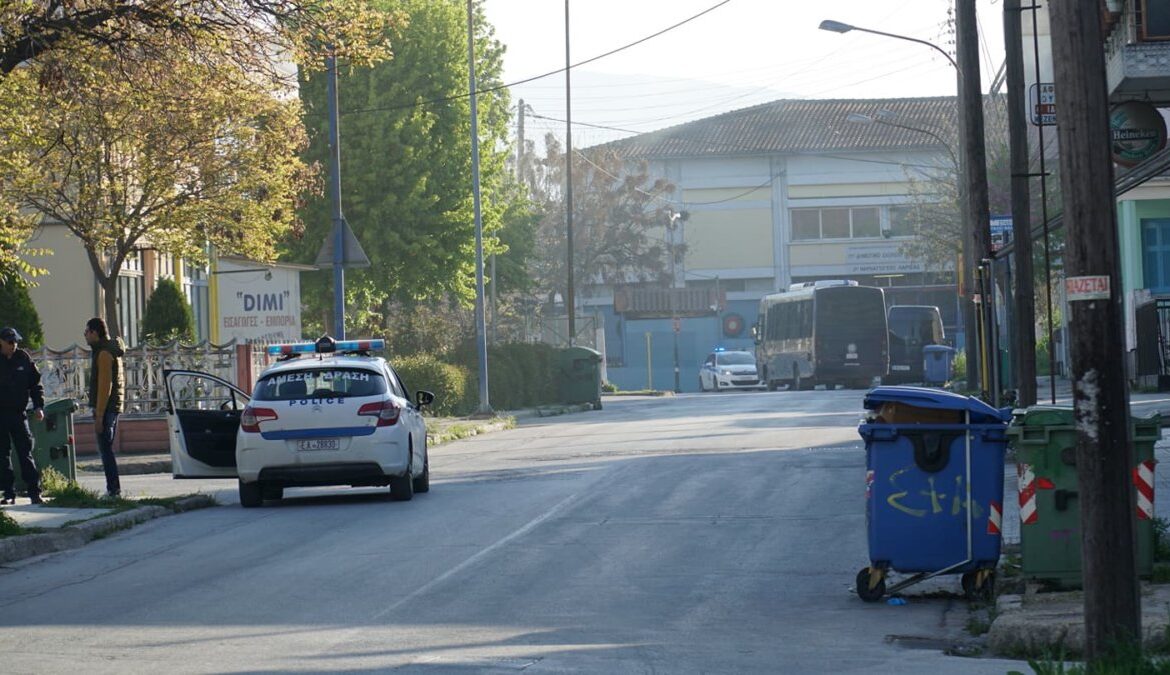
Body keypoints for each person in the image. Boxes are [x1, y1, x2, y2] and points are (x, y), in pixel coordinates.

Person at [0, 327, 45, 505]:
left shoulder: (23, 358)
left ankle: (34, 492)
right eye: (10, 342)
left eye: (15, 342)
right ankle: (8, 493)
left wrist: (38, 406)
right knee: (2, 456)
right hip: (1, 415)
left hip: (19, 414)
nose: (14, 345)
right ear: (1, 342)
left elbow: (35, 385)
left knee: (25, 453)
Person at [85, 318, 125, 499]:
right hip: (113, 406)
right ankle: (113, 489)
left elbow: (104, 387)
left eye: (86, 332)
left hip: (106, 408)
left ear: (94, 332)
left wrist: (99, 416)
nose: (85, 335)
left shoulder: (103, 354)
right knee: (107, 448)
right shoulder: (111, 349)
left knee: (106, 449)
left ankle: (113, 490)